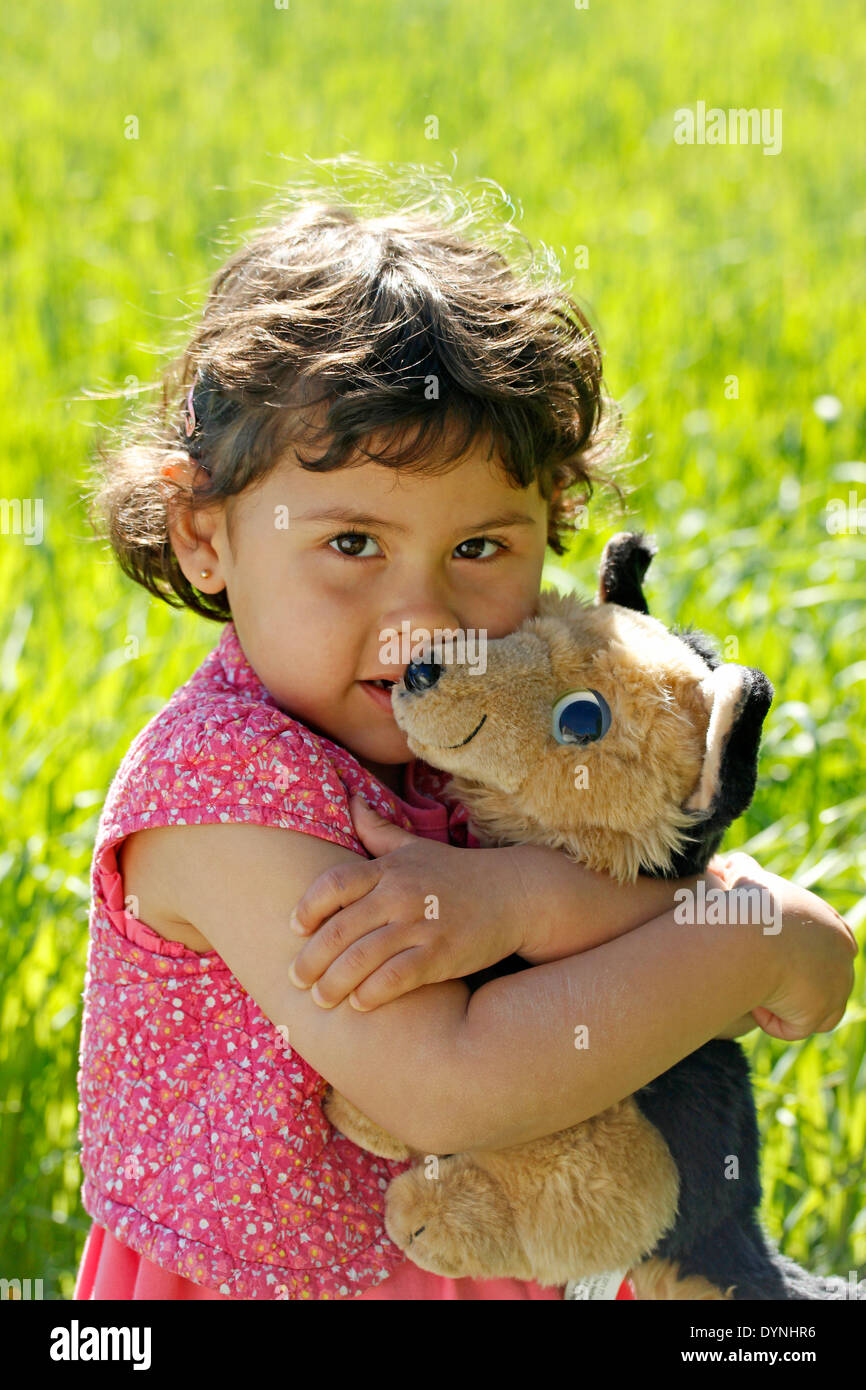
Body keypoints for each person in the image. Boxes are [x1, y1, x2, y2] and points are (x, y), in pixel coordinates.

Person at [73, 182, 856, 1301]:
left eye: (482, 546)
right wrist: (748, 936)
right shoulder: (218, 792)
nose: (424, 617)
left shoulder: (498, 729)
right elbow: (444, 1084)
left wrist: (539, 905)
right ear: (205, 534)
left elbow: (722, 952)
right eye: (351, 540)